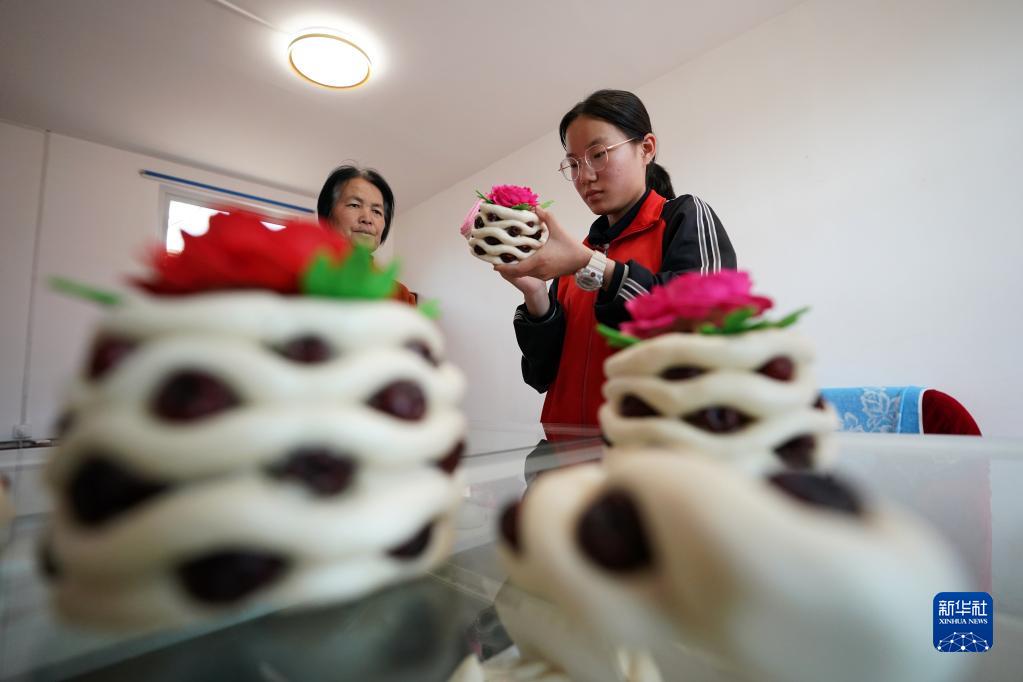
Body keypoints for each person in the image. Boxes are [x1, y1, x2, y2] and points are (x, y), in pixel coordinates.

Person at [496, 89, 737, 427]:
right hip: (565, 449)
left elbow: (705, 327)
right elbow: (541, 375)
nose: (584, 177)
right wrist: (535, 294)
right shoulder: (576, 255)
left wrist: (593, 266)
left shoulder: (683, 215)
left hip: (650, 450)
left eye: (598, 154)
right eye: (574, 164)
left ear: (646, 148)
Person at [317, 165, 417, 304]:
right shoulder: (297, 279)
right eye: (354, 205)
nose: (367, 219)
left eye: (377, 211)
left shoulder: (400, 295)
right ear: (327, 214)